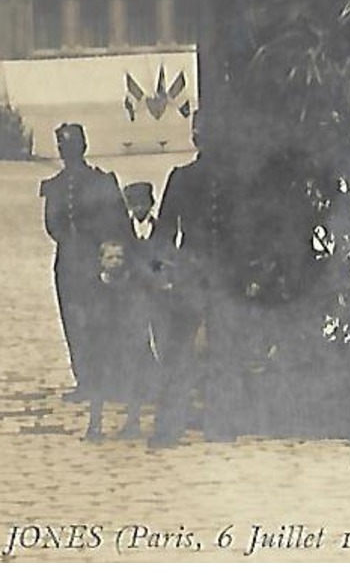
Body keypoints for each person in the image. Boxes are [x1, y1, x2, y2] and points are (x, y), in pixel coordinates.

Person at [149, 112, 230, 448]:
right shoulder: (187, 178)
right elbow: (166, 231)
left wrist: (162, 267)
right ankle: (206, 424)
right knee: (192, 350)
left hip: (210, 273)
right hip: (204, 272)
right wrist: (161, 269)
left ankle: (184, 425)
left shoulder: (188, 178)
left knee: (193, 351)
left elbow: (165, 233)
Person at [39, 122, 130, 404]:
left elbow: (116, 222)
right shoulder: (54, 186)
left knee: (100, 322)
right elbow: (52, 225)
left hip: (95, 262)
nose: (69, 152)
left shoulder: (101, 182)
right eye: (65, 147)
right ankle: (87, 381)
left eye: (71, 146)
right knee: (75, 324)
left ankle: (103, 380)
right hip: (68, 264)